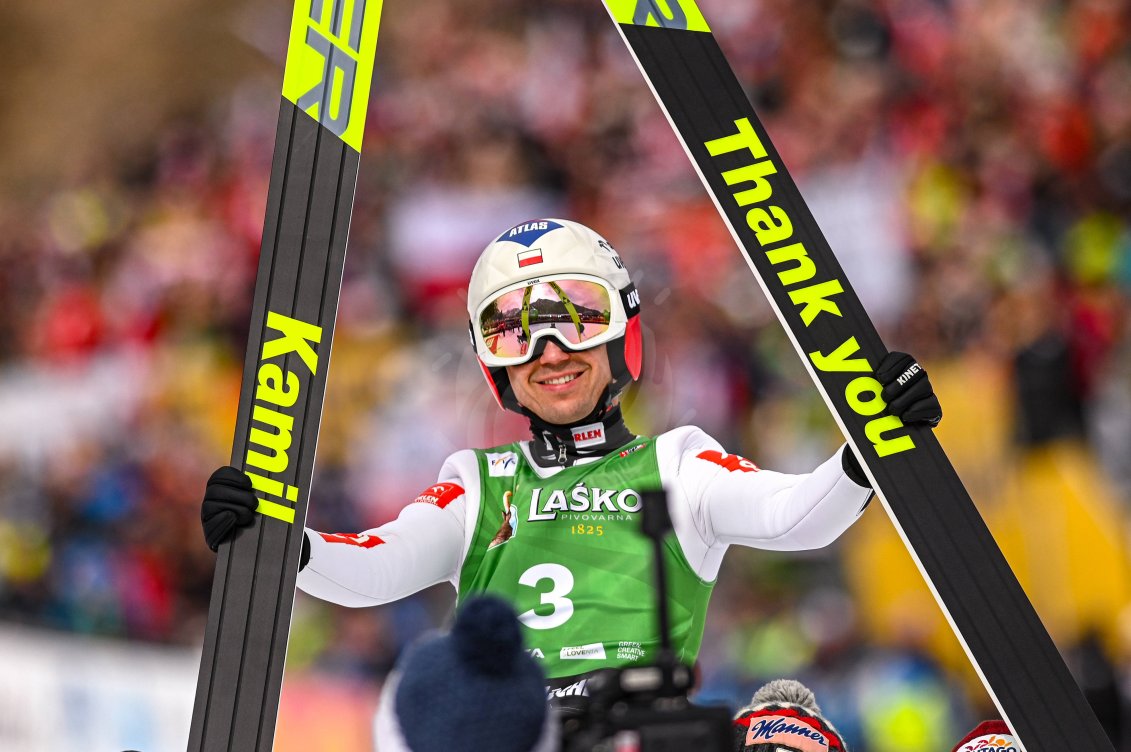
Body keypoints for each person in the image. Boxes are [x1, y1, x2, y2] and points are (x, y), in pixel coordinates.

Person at [201, 218, 941, 699]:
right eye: (512, 331)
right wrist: (275, 540)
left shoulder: (677, 462)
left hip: (632, 732)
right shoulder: (478, 481)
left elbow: (795, 518)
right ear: (493, 364)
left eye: (575, 318)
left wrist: (868, 449)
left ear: (621, 330)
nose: (549, 354)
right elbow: (373, 566)